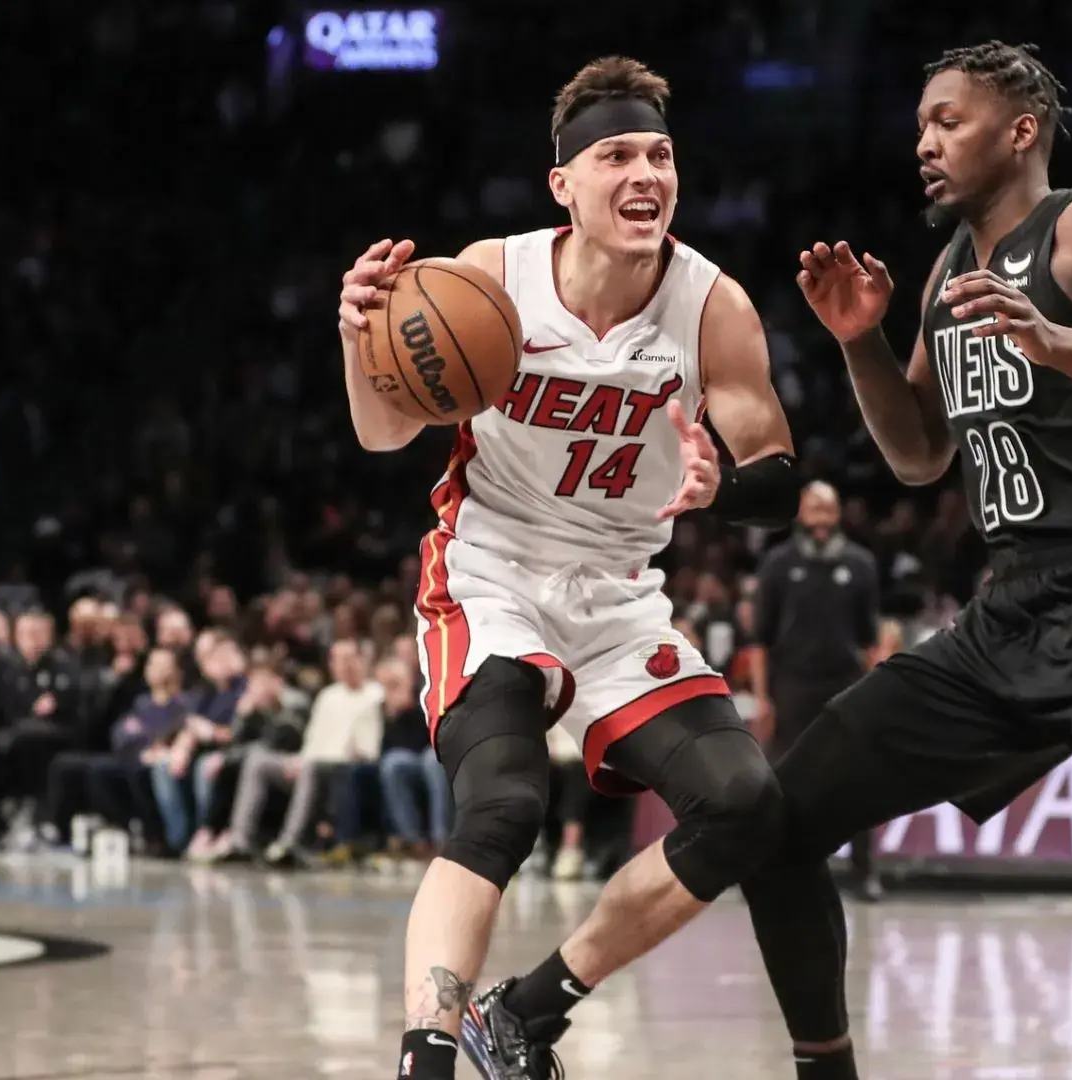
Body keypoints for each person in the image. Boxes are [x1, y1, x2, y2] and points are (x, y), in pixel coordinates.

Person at [478, 41, 1072, 1080]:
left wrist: (1060, 345)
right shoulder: (950, 270)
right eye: (920, 124)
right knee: (777, 822)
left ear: (1021, 131)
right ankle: (815, 1067)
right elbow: (919, 455)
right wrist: (860, 342)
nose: (923, 143)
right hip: (1006, 616)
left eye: (947, 122)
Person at [334, 56, 800, 1080]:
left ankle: (530, 1009)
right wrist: (358, 336)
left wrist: (724, 486)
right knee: (502, 803)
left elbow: (780, 472)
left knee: (745, 803)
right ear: (565, 185)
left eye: (662, 155)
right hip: (491, 565)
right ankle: (429, 1059)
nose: (647, 175)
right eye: (619, 155)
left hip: (619, 594)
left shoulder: (711, 305)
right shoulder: (489, 279)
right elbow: (382, 432)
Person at [752, 480, 882, 898]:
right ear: (800, 515)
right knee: (782, 781)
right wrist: (761, 696)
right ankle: (774, 867)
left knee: (854, 779)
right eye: (814, 511)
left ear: (838, 514)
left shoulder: (861, 565)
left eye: (828, 511)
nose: (821, 520)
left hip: (844, 682)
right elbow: (759, 639)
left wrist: (875, 688)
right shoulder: (776, 564)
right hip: (791, 685)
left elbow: (870, 639)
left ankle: (864, 872)